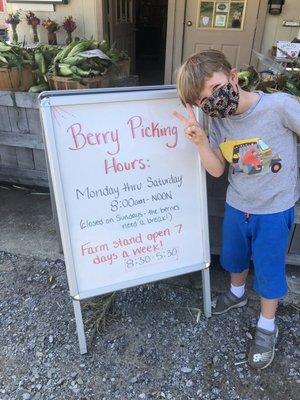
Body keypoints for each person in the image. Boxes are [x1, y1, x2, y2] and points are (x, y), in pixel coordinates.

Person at [173, 49, 300, 370]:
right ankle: (236, 291)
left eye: (214, 89)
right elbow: (217, 170)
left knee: (270, 269)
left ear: (232, 75)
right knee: (233, 257)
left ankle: (267, 325)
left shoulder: (279, 106)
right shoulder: (217, 122)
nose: (212, 101)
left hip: (274, 209)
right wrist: (201, 142)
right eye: (203, 100)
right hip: (237, 204)